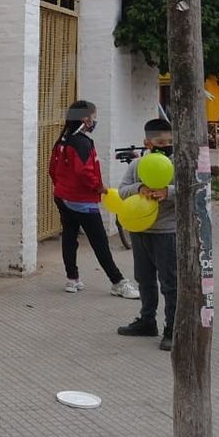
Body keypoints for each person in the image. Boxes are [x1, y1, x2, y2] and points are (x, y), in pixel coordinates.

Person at [49, 100, 140, 299]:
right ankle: (118, 282)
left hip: (62, 197)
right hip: (82, 200)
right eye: (93, 117)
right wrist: (99, 188)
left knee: (69, 237)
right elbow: (84, 172)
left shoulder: (63, 140)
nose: (94, 121)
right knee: (99, 242)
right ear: (85, 119)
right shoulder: (82, 142)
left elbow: (53, 169)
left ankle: (72, 279)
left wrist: (62, 187)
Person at [116, 119, 178, 351]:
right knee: (144, 278)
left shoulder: (178, 164)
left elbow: (193, 190)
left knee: (170, 282)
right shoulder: (137, 166)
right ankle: (147, 320)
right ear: (148, 142)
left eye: (170, 142)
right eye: (161, 142)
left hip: (167, 232)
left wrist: (167, 191)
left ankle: (172, 328)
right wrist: (139, 189)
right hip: (140, 231)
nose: (166, 146)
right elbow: (122, 191)